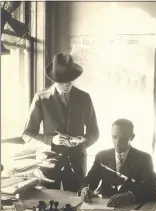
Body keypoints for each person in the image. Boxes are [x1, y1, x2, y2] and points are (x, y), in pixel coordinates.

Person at [22, 53, 99, 191]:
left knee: (77, 205)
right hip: (49, 163)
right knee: (47, 205)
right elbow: (27, 134)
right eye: (62, 82)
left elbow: (94, 133)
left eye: (70, 81)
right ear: (54, 80)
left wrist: (81, 142)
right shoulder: (41, 98)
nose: (67, 85)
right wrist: (52, 140)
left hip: (77, 164)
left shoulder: (84, 97)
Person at [80, 119, 156, 207]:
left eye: (123, 139)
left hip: (132, 210)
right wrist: (85, 190)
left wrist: (130, 196)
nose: (117, 142)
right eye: (114, 137)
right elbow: (89, 181)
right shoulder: (102, 156)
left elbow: (154, 190)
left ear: (132, 137)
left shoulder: (143, 159)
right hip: (106, 208)